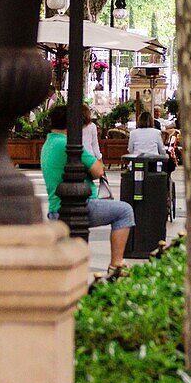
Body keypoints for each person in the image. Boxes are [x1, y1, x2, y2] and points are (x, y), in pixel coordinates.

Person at [41, 105, 135, 274]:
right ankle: (116, 263)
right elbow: (99, 170)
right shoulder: (68, 144)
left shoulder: (48, 143)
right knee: (124, 211)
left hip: (55, 208)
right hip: (79, 206)